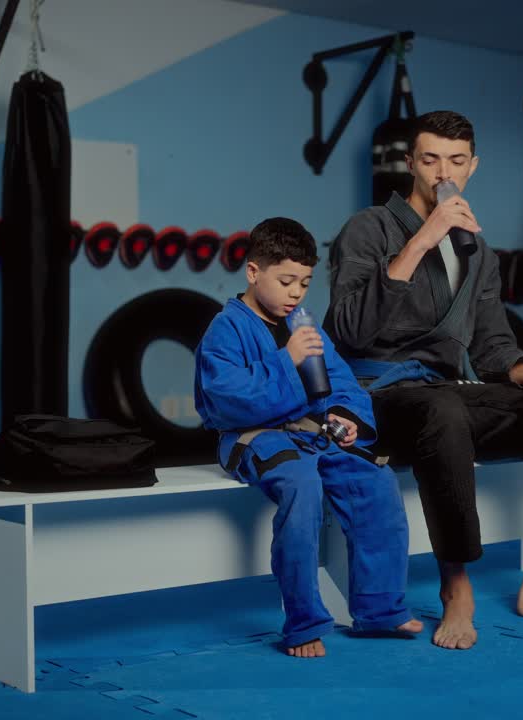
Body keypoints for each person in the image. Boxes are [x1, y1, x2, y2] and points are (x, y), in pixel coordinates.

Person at [324, 111, 523, 651]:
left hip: (444, 395)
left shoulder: (476, 250)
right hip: (376, 399)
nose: (443, 173)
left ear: (472, 165)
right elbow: (346, 330)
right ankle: (456, 588)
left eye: (455, 161)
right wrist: (421, 241)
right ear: (410, 163)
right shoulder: (367, 229)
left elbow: (492, 349)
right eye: (430, 160)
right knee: (445, 412)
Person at [194, 217, 423, 658]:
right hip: (253, 438)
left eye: (304, 282)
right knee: (303, 486)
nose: (296, 292)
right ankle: (303, 623)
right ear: (254, 272)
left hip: (310, 436)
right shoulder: (225, 329)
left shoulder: (306, 327)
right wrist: (287, 359)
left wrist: (344, 415)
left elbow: (340, 382)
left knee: (374, 480)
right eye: (286, 281)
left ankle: (379, 609)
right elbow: (229, 401)